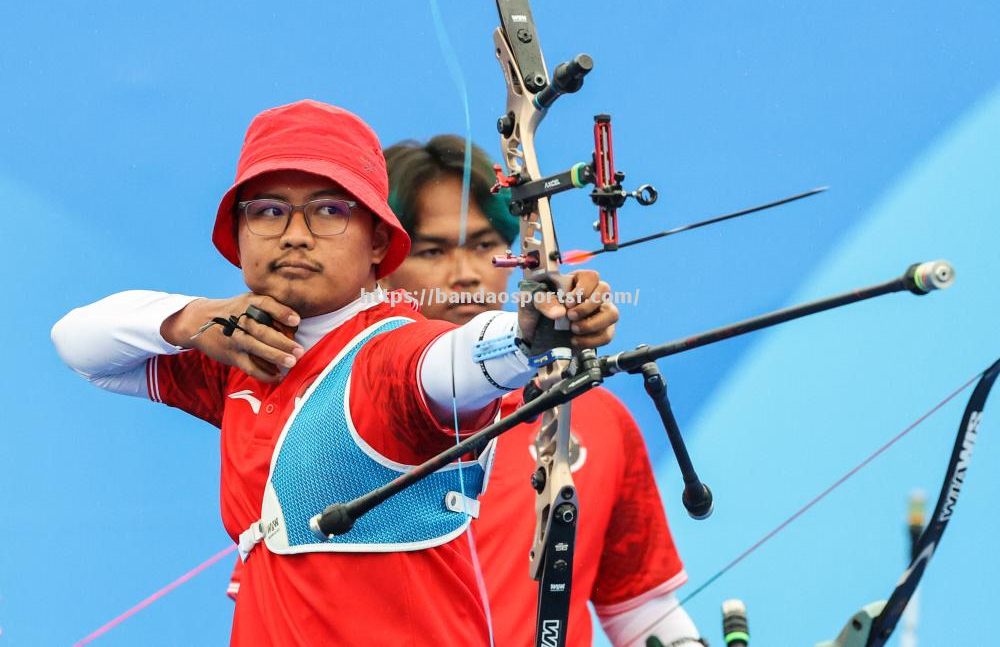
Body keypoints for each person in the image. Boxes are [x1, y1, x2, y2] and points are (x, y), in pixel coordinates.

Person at [50, 100, 620, 646]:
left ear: (377, 240)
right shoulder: (240, 355)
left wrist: (530, 331)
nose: (295, 233)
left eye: (329, 210)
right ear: (239, 234)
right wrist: (191, 319)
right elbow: (78, 343)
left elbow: (448, 365)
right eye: (269, 211)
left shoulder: (391, 353)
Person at [381, 136, 702, 645]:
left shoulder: (593, 413)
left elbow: (640, 613)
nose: (465, 273)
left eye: (486, 246)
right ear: (381, 263)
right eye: (431, 250)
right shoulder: (341, 409)